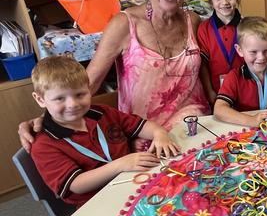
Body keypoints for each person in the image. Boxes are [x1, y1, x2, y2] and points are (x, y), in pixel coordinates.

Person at [18, 0, 210, 152]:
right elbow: (87, 83)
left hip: (195, 123)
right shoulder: (124, 24)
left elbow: (208, 71)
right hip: (144, 133)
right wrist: (45, 119)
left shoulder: (193, 21)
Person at [30, 56, 179, 208]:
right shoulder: (43, 145)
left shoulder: (103, 112)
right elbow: (76, 184)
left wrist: (159, 134)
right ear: (40, 99)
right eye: (60, 98)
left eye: (80, 94)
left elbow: (143, 126)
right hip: (97, 204)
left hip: (133, 183)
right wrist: (120, 165)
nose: (73, 104)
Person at [197, 0, 244, 104]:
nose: (224, 2)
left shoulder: (247, 26)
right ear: (211, 0)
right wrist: (209, 91)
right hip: (217, 91)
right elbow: (203, 66)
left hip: (245, 87)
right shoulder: (204, 29)